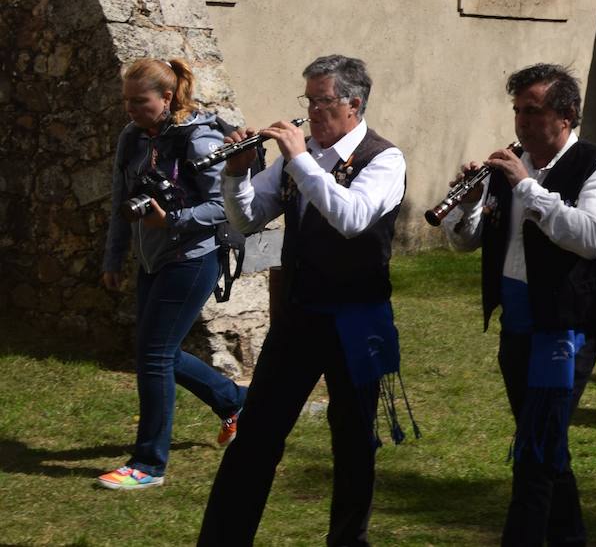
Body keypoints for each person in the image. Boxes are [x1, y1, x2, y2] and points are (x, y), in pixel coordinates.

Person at [199, 55, 408, 546]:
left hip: (358, 319)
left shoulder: (384, 159)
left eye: (322, 101)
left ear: (353, 105)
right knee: (256, 436)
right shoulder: (306, 155)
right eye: (308, 100)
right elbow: (247, 219)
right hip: (301, 315)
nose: (311, 111)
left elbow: (351, 217)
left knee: (355, 442)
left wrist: (300, 159)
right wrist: (236, 172)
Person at [442, 64, 596, 546]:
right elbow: (465, 244)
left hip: (567, 330)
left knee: (534, 454)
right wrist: (467, 204)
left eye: (533, 111)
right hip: (518, 327)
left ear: (566, 116)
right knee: (546, 448)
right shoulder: (508, 167)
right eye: (518, 111)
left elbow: (589, 237)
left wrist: (527, 186)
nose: (522, 122)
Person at [96, 58, 246, 491]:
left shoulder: (198, 137)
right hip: (151, 260)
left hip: (193, 257)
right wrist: (114, 258)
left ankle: (148, 465)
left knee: (154, 356)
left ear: (166, 97)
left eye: (139, 101)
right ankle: (235, 402)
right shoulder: (132, 137)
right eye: (126, 102)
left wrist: (174, 220)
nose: (130, 110)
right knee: (156, 352)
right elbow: (120, 204)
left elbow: (225, 206)